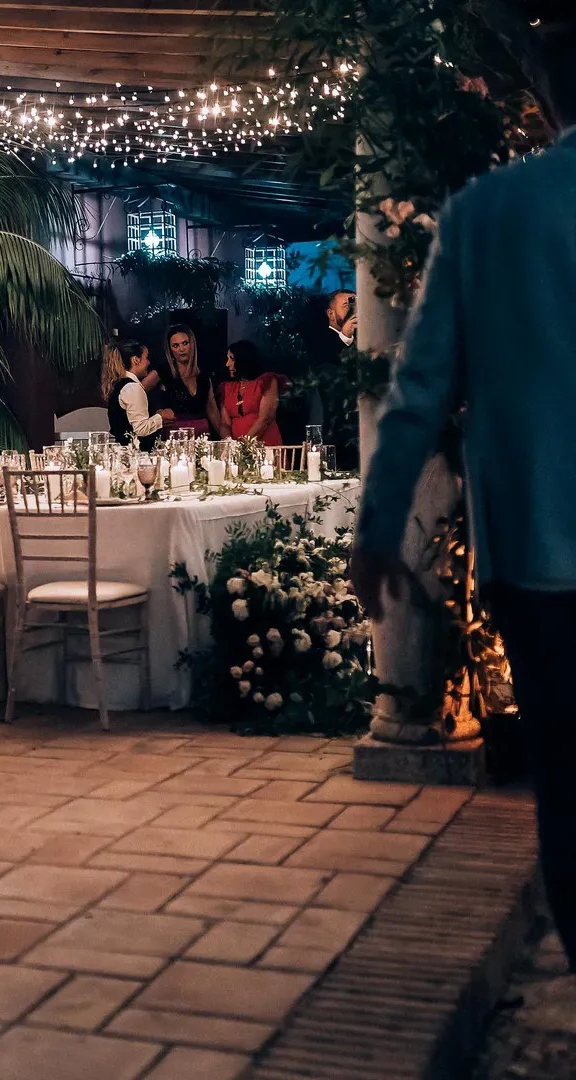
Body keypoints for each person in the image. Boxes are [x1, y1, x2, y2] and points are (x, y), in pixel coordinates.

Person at [352, 13, 576, 975]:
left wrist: (376, 530)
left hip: (535, 552)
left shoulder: (487, 215)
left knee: (566, 782)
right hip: (534, 554)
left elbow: (419, 390)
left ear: (547, 93)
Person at [102, 339, 173, 451]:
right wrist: (161, 416)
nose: (148, 362)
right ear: (136, 360)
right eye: (146, 358)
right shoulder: (132, 388)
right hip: (136, 454)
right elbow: (140, 429)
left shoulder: (120, 385)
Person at [150, 323, 221, 435]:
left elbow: (213, 412)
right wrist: (156, 414)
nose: (181, 349)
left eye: (185, 343)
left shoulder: (203, 375)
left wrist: (227, 440)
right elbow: (135, 391)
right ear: (170, 350)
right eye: (175, 345)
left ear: (192, 344)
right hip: (174, 437)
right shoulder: (163, 372)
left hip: (202, 438)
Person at [216, 340, 284, 445]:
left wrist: (244, 445)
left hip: (265, 446)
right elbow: (225, 423)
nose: (227, 364)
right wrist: (230, 444)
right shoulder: (227, 388)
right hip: (237, 449)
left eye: (232, 359)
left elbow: (265, 419)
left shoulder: (267, 381)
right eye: (227, 359)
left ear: (244, 360)